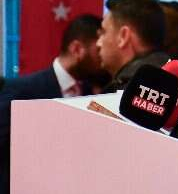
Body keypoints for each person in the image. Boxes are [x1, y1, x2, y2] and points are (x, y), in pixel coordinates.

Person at [0, 14, 108, 194]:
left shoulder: (94, 94)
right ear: (77, 49)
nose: (103, 58)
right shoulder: (22, 90)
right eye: (98, 50)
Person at [97, 0, 170, 92]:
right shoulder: (177, 82)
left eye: (104, 32)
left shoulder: (123, 92)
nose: (98, 43)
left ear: (123, 36)